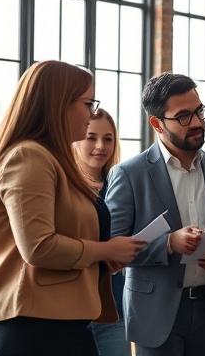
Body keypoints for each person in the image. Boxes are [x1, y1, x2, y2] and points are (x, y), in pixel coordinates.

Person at [0, 60, 146, 356]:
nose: (93, 113)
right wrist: (105, 250)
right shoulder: (30, 157)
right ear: (60, 104)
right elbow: (39, 247)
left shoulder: (51, 160)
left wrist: (100, 260)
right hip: (33, 324)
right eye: (88, 103)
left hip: (60, 319)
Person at [105, 73, 205, 356]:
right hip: (155, 313)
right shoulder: (129, 174)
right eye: (184, 116)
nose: (198, 123)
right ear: (157, 123)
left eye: (200, 111)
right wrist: (167, 244)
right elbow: (111, 251)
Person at [74, 108, 130, 356]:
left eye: (108, 138)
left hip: (113, 308)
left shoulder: (123, 185)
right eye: (91, 137)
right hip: (71, 307)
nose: (100, 146)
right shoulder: (62, 186)